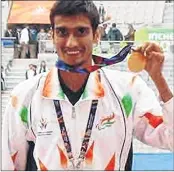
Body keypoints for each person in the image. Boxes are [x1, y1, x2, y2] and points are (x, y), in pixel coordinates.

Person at [2, 0, 173, 171]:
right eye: (62, 32)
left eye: (81, 31)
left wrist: (159, 80)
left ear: (96, 35)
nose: (71, 43)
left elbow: (169, 139)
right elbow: (9, 165)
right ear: (51, 36)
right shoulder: (24, 97)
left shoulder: (128, 91)